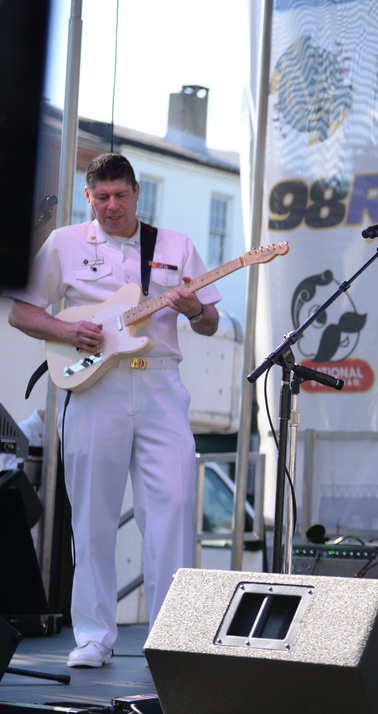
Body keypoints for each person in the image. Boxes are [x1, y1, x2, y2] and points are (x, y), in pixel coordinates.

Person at [5, 153, 221, 668]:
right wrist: (65, 331)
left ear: (136, 193)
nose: (112, 205)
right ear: (88, 197)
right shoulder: (65, 243)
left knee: (172, 511)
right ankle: (94, 636)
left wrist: (194, 308)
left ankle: (169, 637)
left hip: (161, 385)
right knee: (93, 516)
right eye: (101, 197)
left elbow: (210, 321)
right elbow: (21, 311)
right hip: (94, 386)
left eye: (120, 195)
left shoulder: (175, 245)